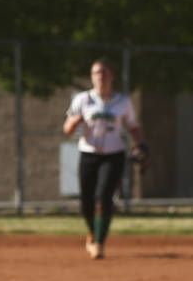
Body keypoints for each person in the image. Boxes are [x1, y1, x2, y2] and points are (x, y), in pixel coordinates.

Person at [62, 58, 146, 260]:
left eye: (104, 72)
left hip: (114, 154)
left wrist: (141, 144)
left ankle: (99, 242)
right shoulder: (83, 100)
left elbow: (133, 126)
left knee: (104, 196)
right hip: (89, 153)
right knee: (87, 202)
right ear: (92, 77)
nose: (100, 76)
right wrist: (74, 122)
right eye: (96, 73)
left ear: (112, 76)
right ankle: (93, 231)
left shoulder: (123, 101)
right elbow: (67, 130)